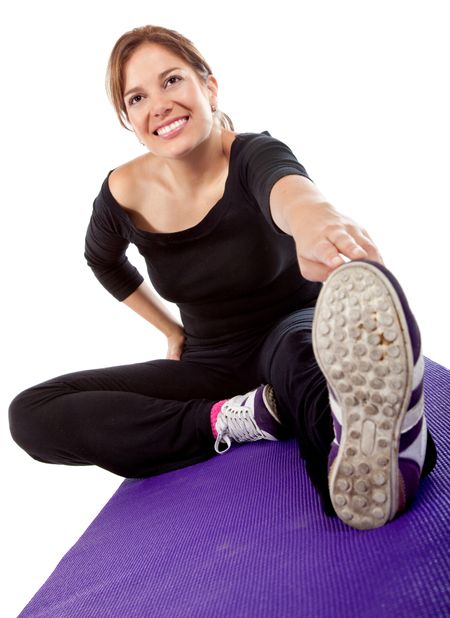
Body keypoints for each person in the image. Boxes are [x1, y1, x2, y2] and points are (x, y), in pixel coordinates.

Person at [8, 25, 436, 530]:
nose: (160, 104)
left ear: (208, 87)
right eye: (138, 96)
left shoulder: (253, 153)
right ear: (129, 118)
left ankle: (378, 462)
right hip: (213, 366)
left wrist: (319, 225)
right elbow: (102, 260)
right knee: (32, 413)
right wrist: (171, 331)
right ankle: (235, 419)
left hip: (292, 328)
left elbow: (295, 195)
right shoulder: (123, 192)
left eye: (172, 81)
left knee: (300, 361)